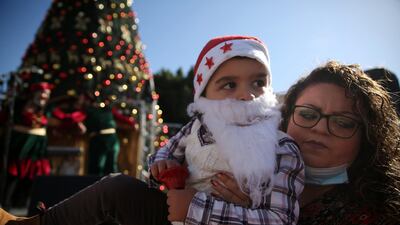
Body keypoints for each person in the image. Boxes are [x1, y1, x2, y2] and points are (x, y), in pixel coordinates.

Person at [2, 61, 399, 224]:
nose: (320, 129)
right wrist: (167, 172)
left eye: (344, 122)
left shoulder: (368, 214)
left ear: (368, 139)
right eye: (308, 114)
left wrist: (206, 208)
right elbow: (169, 157)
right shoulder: (244, 143)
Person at [0, 35, 304, 225]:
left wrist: (195, 209)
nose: (245, 94)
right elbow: (162, 154)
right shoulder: (194, 129)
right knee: (116, 188)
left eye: (258, 83)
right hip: (171, 215)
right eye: (228, 84)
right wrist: (161, 166)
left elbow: (280, 219)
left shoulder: (282, 148)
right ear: (205, 96)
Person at [1, 79, 53, 208]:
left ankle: (24, 205)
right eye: (42, 93)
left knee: (33, 176)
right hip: (21, 144)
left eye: (47, 93)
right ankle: (5, 204)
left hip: (38, 147)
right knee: (14, 174)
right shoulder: (18, 105)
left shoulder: (46, 109)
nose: (44, 96)